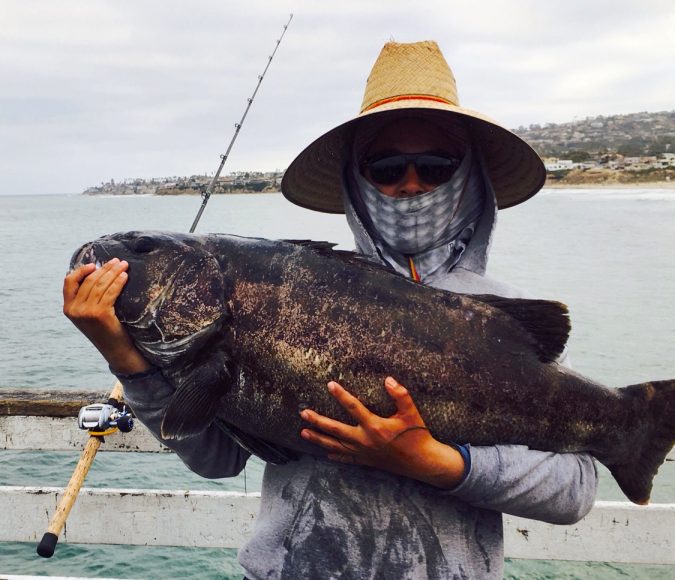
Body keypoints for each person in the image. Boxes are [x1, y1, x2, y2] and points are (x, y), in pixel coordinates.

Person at [64, 40, 597, 579]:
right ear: (356, 180)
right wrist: (125, 358)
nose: (410, 182)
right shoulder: (295, 285)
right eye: (385, 166)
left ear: (469, 177)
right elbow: (216, 460)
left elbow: (575, 490)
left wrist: (438, 463)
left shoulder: (502, 317)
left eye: (437, 165)